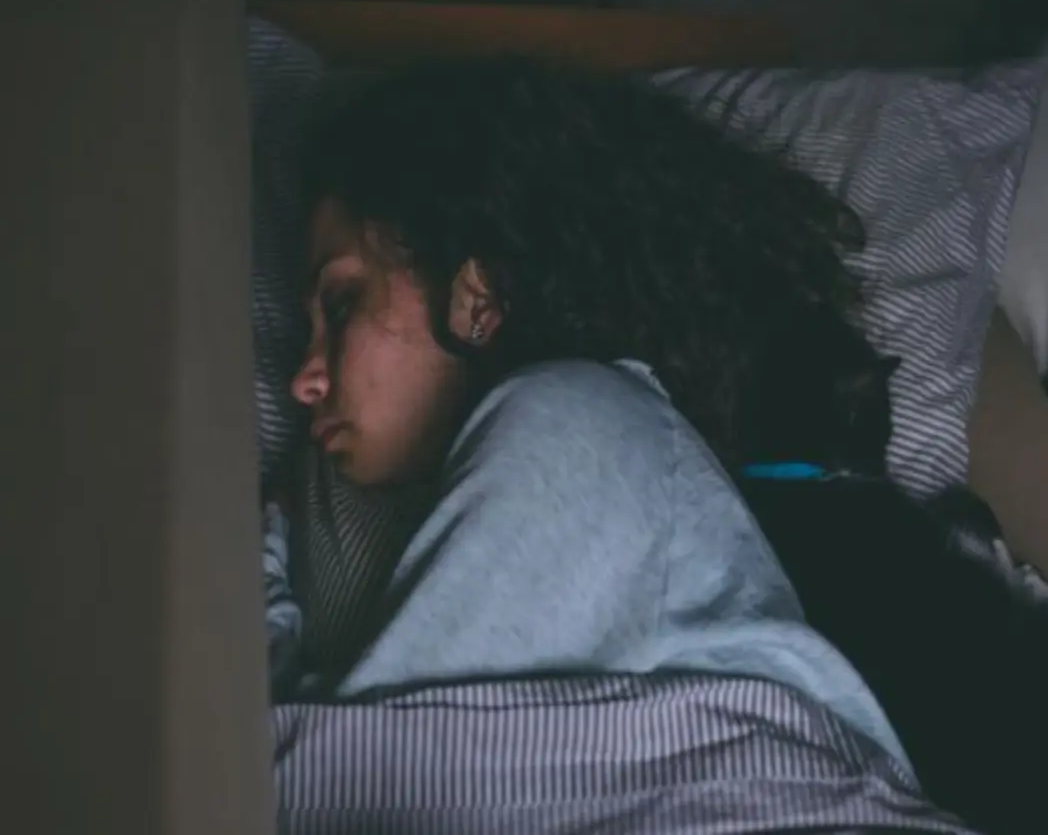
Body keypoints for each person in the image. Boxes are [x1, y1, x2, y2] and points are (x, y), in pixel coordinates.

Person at [270, 57, 1038, 829]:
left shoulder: (578, 420)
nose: (305, 379)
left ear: (477, 295)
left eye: (342, 305)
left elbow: (324, 783)